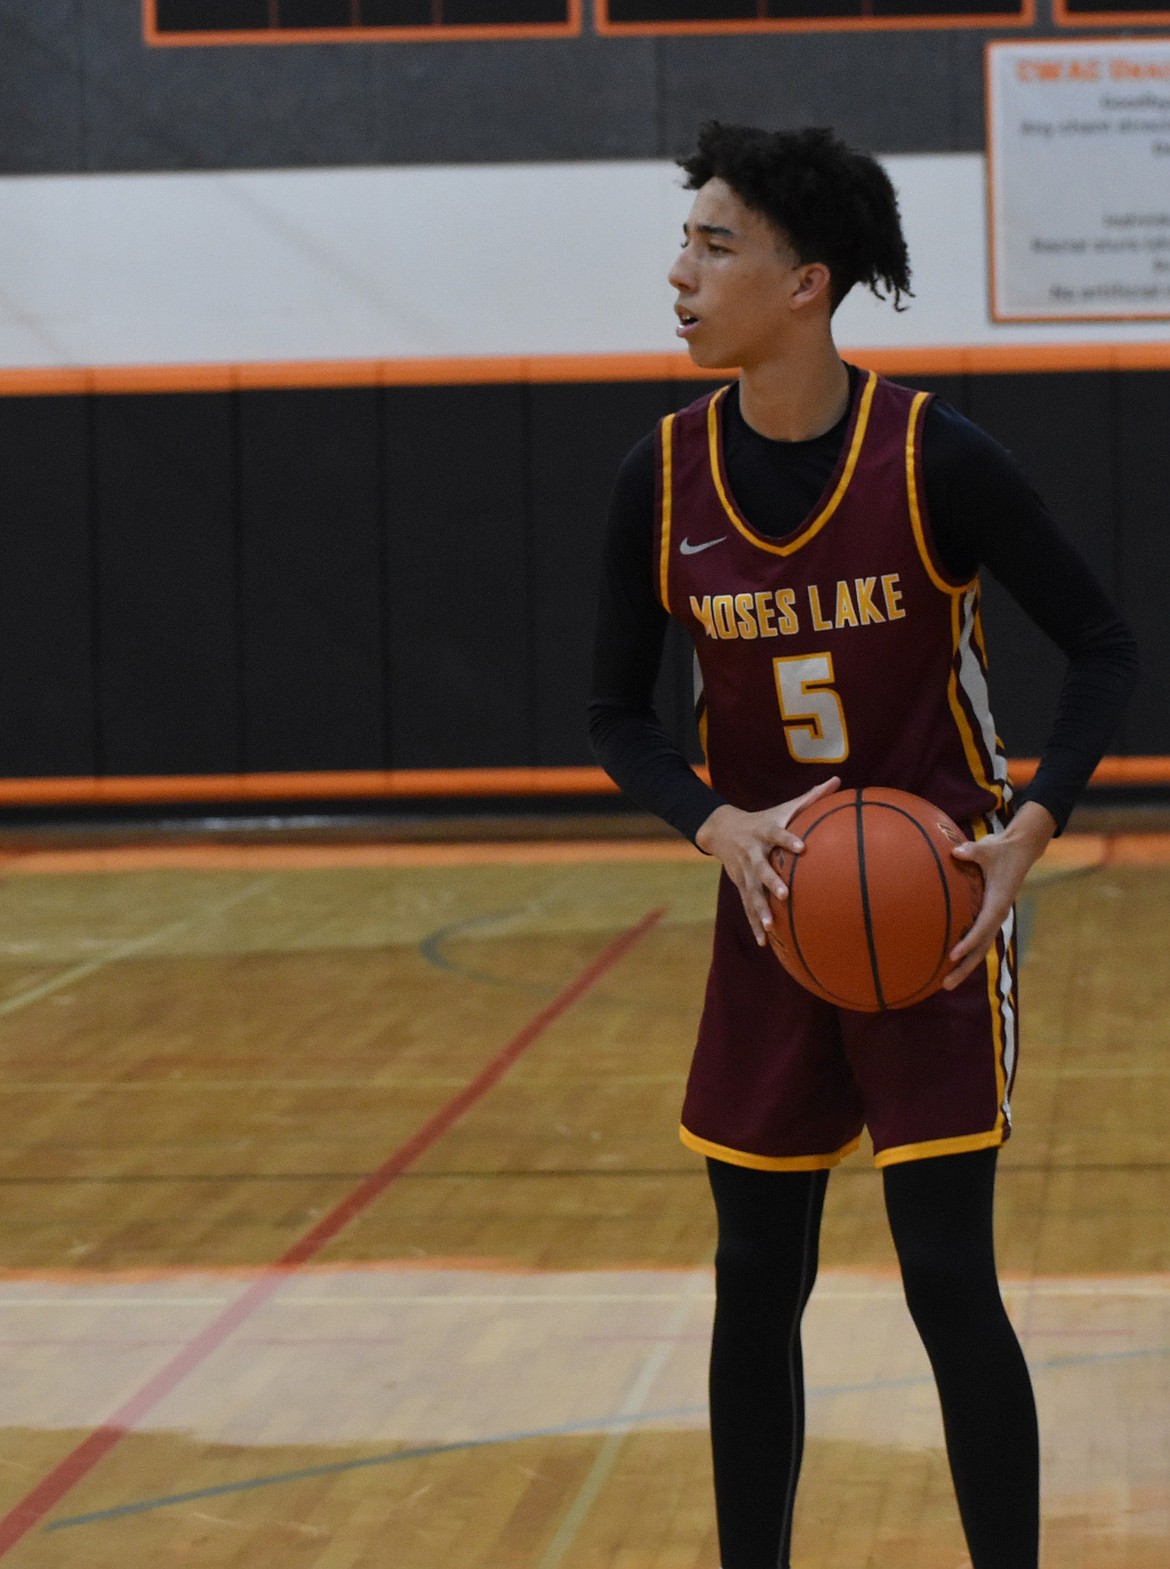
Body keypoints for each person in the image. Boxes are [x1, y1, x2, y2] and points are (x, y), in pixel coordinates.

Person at [587, 122, 1138, 1569]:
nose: (680, 273)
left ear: (805, 284)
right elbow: (611, 711)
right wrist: (711, 821)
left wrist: (1026, 831)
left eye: (714, 246)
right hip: (773, 915)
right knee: (751, 1276)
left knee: (946, 1279)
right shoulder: (660, 477)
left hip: (929, 912)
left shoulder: (934, 457)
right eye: (684, 241)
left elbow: (1100, 646)